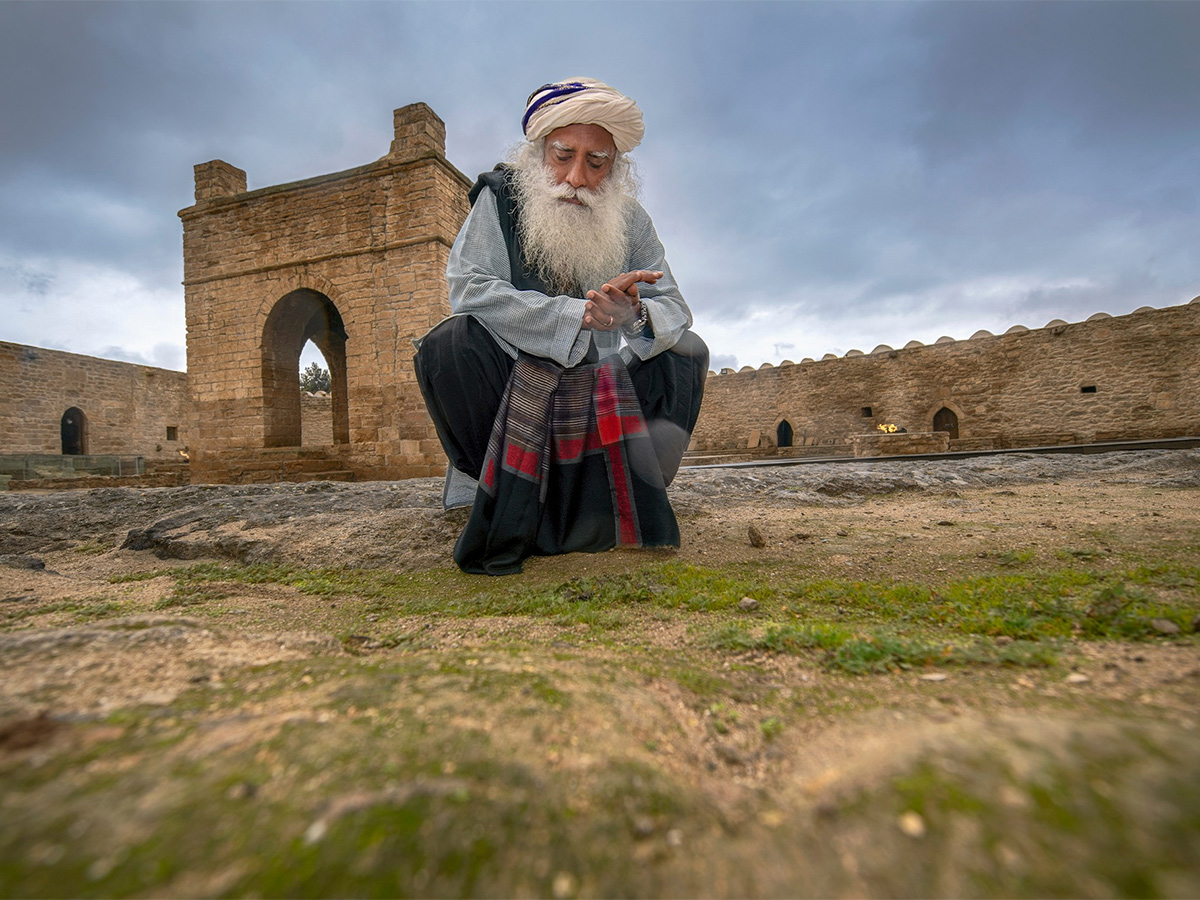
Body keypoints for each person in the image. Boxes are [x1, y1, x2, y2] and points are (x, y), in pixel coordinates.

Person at [414, 77, 708, 574]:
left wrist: (633, 317)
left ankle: (600, 494)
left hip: (598, 387)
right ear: (538, 153)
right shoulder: (501, 199)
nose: (577, 176)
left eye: (597, 163)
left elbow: (674, 306)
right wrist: (577, 316)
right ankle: (505, 485)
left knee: (686, 352)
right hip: (511, 377)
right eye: (563, 155)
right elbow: (469, 286)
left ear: (615, 168)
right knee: (447, 347)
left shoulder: (630, 221)